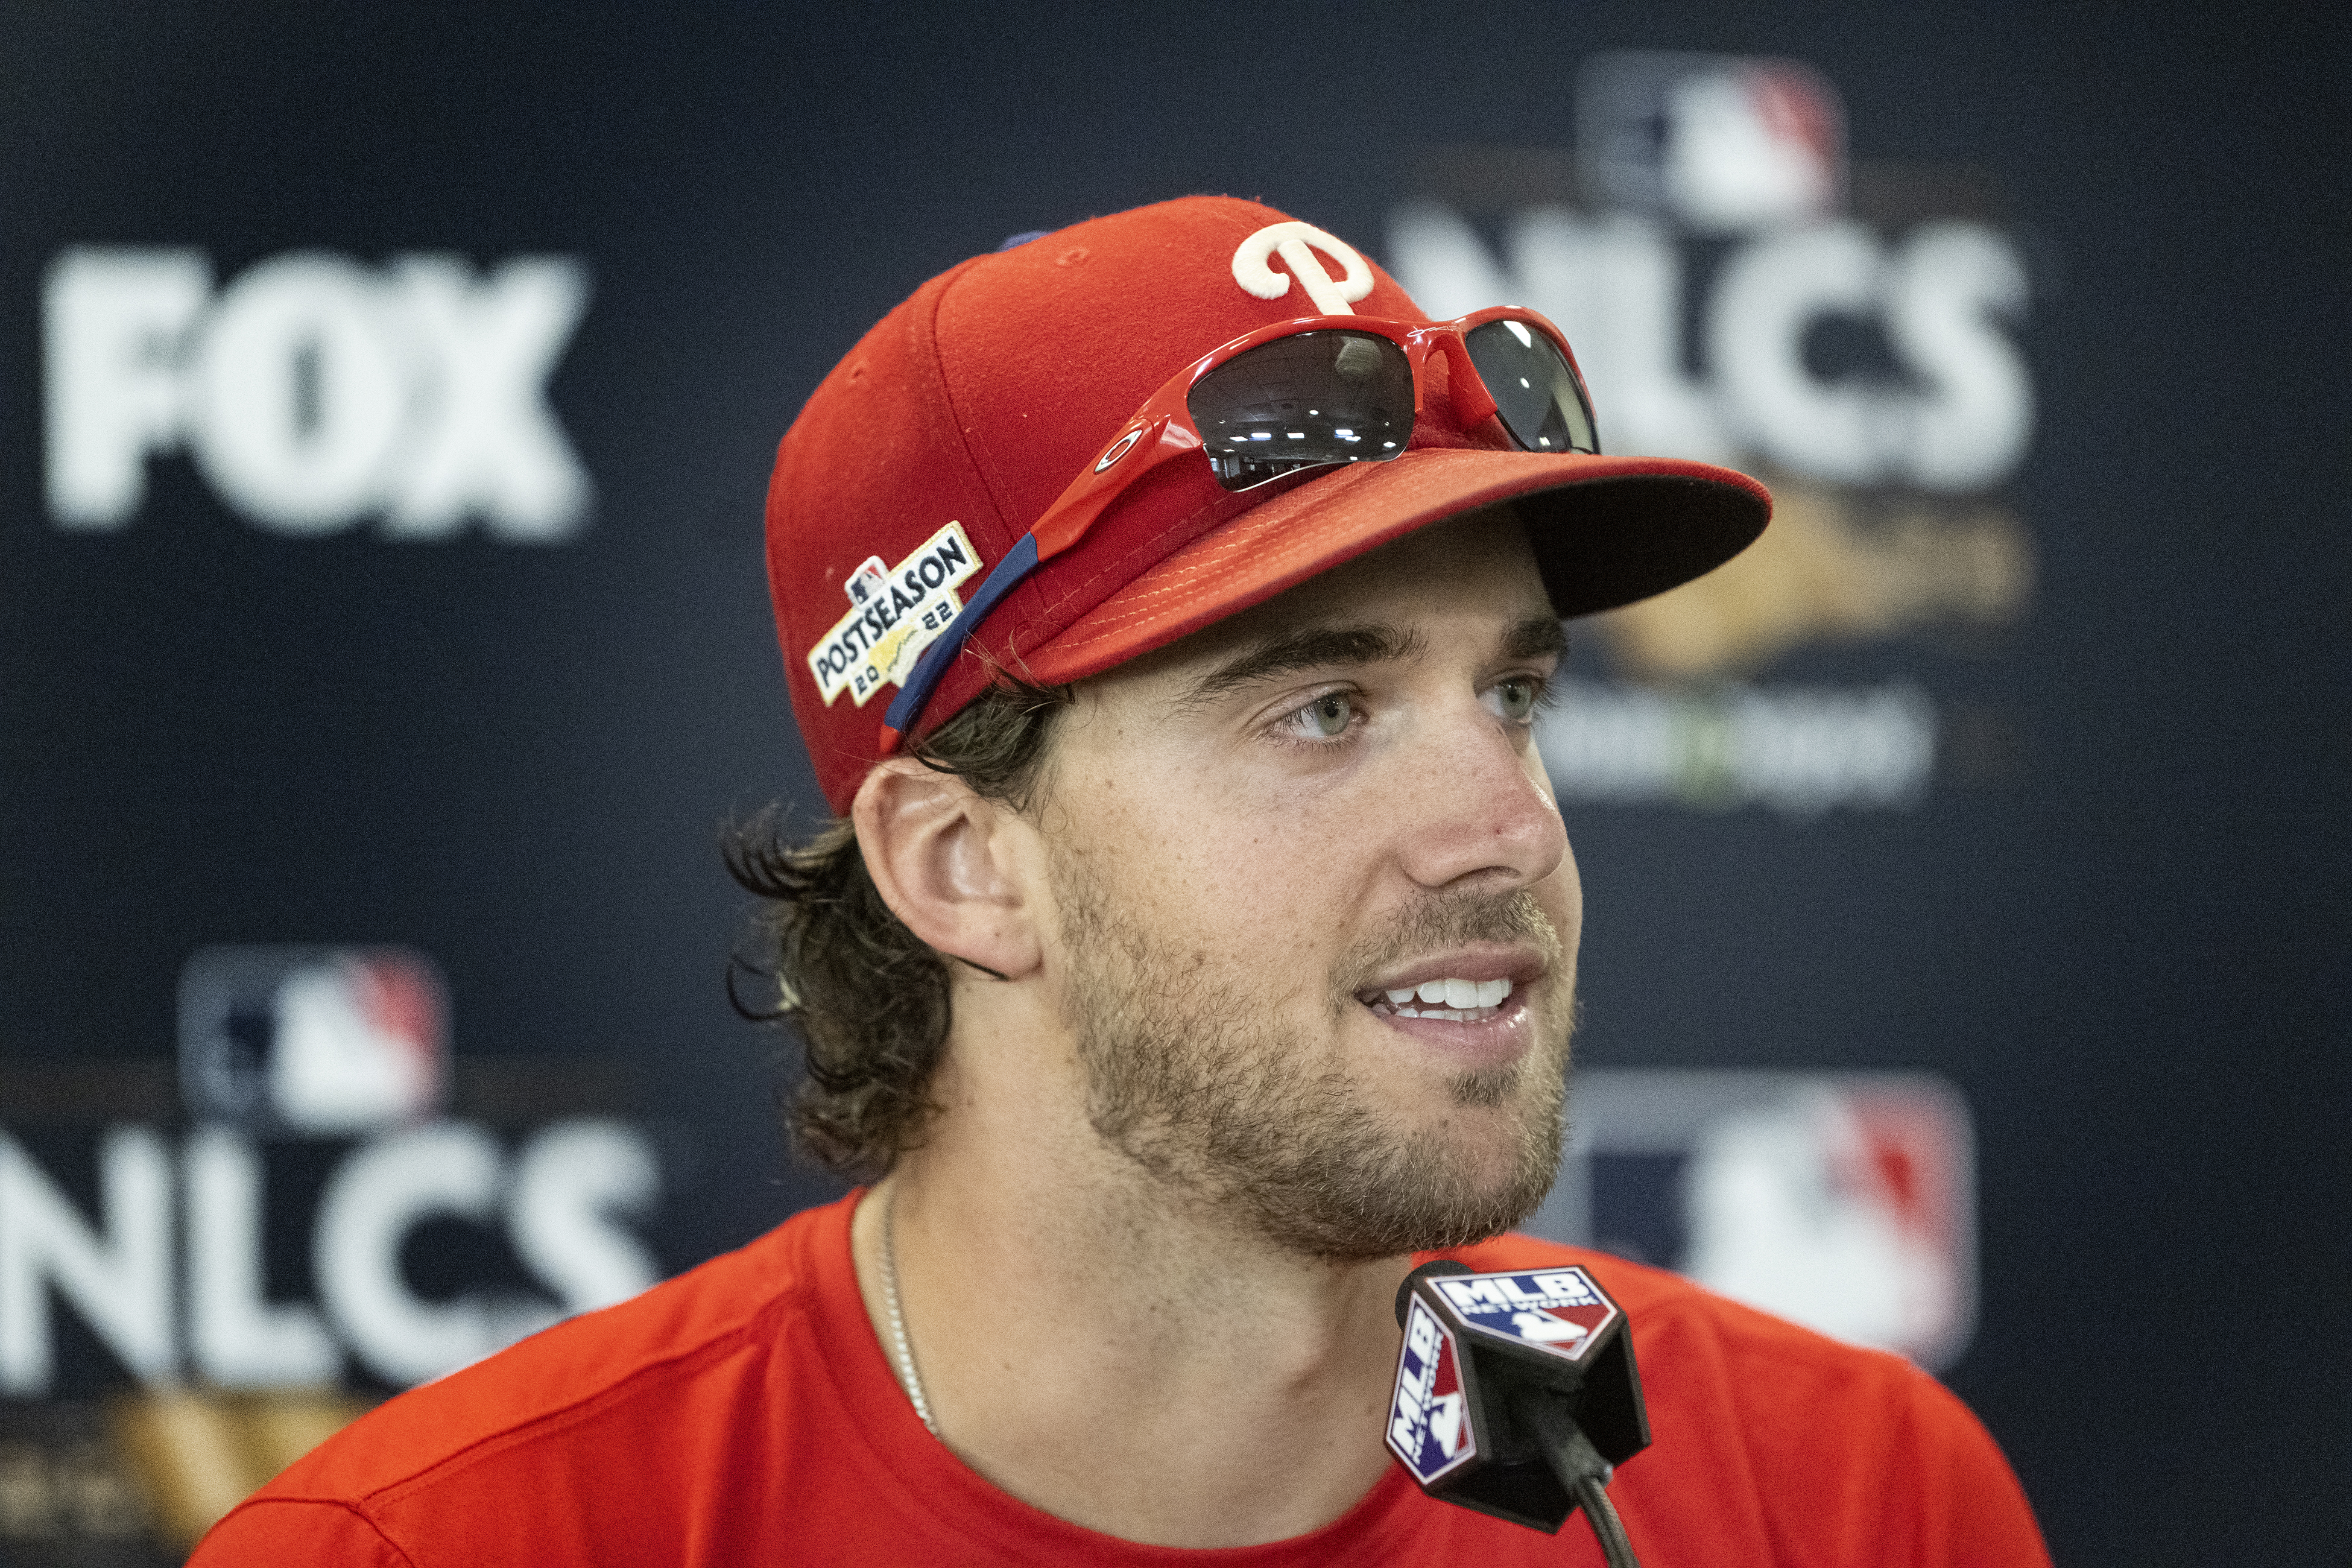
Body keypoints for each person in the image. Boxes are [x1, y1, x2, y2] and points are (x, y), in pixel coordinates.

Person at [191, 196, 2049, 1564]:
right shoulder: (435, 1546)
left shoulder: (1852, 1496)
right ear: (957, 865)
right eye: (1323, 707)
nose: (1504, 825)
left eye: (1510, 692)